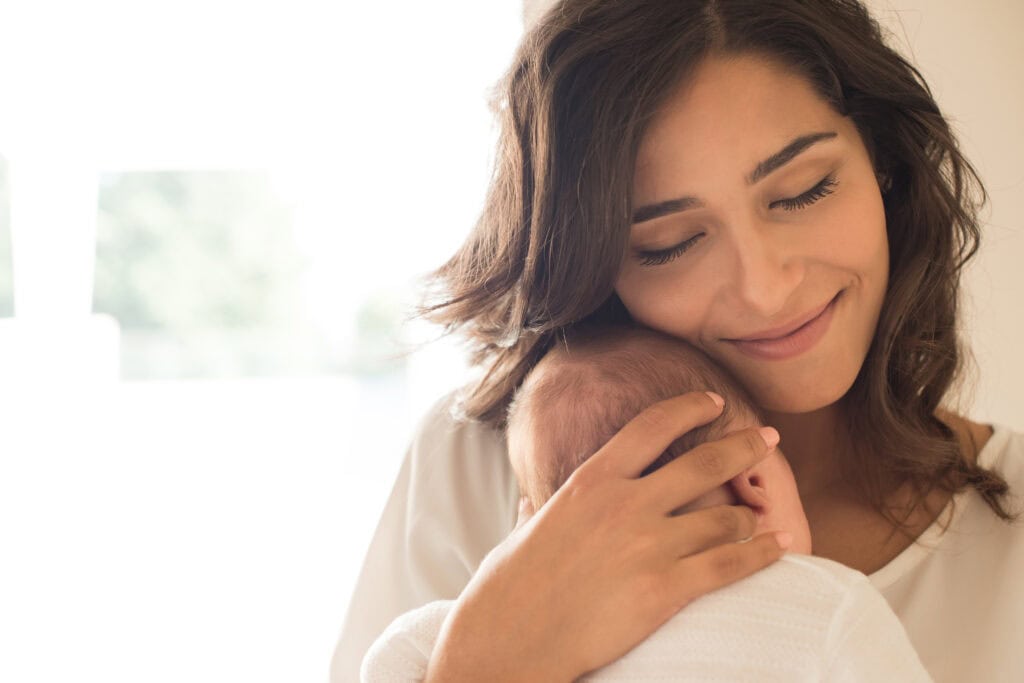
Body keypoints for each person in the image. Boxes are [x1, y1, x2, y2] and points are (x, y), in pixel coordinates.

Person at [332, 1, 1024, 681]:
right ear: (599, 268)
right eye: (671, 244)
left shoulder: (1010, 527)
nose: (764, 287)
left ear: (885, 167)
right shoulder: (470, 467)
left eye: (804, 192)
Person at [359, 325, 933, 681]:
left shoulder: (470, 624)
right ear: (754, 485)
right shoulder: (826, 605)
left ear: (529, 526)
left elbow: (384, 665)